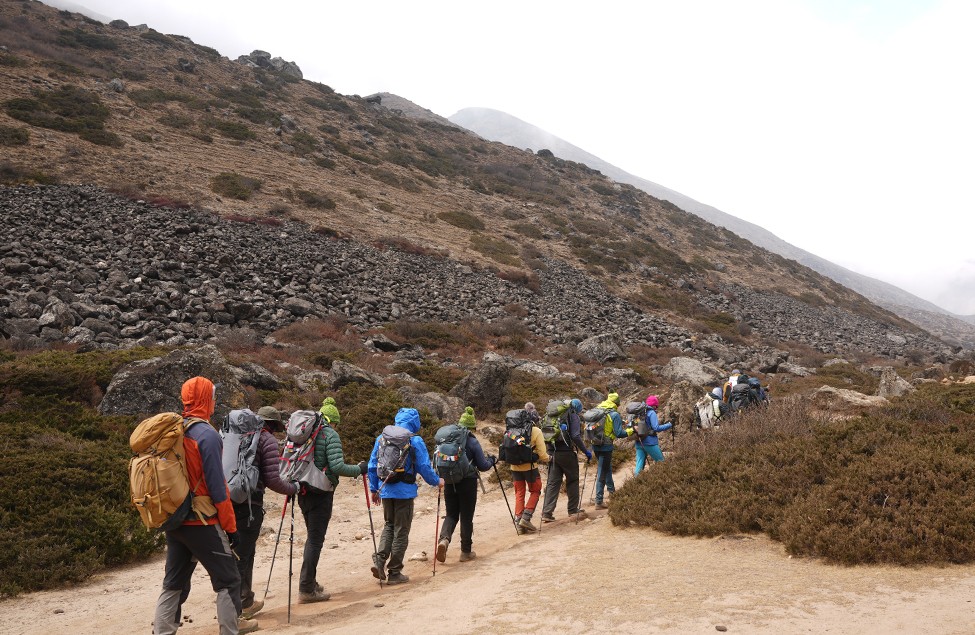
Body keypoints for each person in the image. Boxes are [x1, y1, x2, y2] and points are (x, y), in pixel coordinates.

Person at [153, 376, 255, 635]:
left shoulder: (174, 429)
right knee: (229, 580)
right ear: (205, 399)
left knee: (173, 583)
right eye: (212, 396)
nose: (214, 401)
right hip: (201, 520)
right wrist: (231, 528)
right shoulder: (206, 435)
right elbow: (218, 489)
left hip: (174, 519)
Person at [296, 397, 366, 603]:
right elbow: (337, 467)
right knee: (315, 540)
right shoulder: (330, 434)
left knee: (311, 537)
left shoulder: (305, 432)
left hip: (302, 490)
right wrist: (359, 469)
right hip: (321, 492)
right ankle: (306, 589)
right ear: (333, 421)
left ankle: (310, 581)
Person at [233, 406, 298, 618]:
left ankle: (243, 601)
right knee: (244, 555)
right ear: (272, 424)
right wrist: (293, 488)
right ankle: (238, 609)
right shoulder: (267, 440)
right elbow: (273, 480)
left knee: (237, 552)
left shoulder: (235, 435)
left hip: (227, 501)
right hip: (250, 505)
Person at [367, 407, 443, 584]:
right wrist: (437, 481)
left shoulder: (381, 438)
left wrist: (374, 489)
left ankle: (379, 561)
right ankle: (394, 572)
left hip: (386, 489)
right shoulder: (415, 440)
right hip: (405, 492)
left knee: (389, 525)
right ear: (415, 422)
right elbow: (424, 467)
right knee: (401, 530)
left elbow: (372, 465)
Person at [435, 406, 497, 563]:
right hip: (468, 482)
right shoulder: (472, 441)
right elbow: (483, 466)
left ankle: (444, 540)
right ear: (471, 427)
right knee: (466, 517)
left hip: (449, 481)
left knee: (451, 514)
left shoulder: (447, 440)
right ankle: (466, 552)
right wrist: (492, 460)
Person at [540, 398, 591, 523]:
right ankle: (572, 510)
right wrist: (586, 451)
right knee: (572, 480)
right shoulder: (573, 416)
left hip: (551, 452)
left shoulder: (552, 415)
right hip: (567, 453)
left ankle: (547, 512)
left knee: (553, 483)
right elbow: (575, 436)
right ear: (577, 408)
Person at [511, 408, 550, 533]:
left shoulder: (510, 430)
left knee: (519, 493)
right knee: (535, 491)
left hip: (514, 467)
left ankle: (518, 522)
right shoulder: (536, 431)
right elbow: (543, 454)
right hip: (530, 468)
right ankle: (526, 518)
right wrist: (550, 459)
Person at [592, 392, 631, 510]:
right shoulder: (614, 414)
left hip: (595, 444)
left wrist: (620, 422)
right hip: (606, 446)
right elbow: (619, 433)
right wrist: (631, 430)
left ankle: (612, 493)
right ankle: (599, 501)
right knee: (602, 472)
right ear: (617, 403)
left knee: (606, 468)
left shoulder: (598, 409)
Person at [633, 395, 673, 474]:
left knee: (639, 464)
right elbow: (656, 428)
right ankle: (665, 479)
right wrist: (669, 425)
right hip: (649, 443)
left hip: (639, 441)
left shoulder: (639, 412)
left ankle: (635, 480)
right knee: (662, 462)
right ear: (654, 405)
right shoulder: (651, 413)